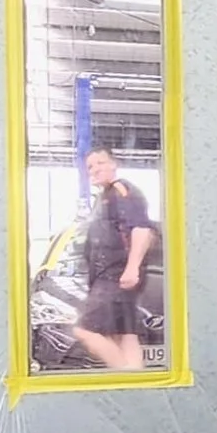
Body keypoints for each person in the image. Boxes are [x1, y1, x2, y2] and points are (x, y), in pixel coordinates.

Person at [76, 146, 159, 371]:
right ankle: (135, 381)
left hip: (116, 276)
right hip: (112, 276)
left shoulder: (121, 190)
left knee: (85, 330)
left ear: (114, 164)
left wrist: (132, 268)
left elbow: (142, 229)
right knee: (124, 335)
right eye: (90, 166)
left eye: (100, 163)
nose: (94, 169)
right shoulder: (103, 199)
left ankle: (126, 380)